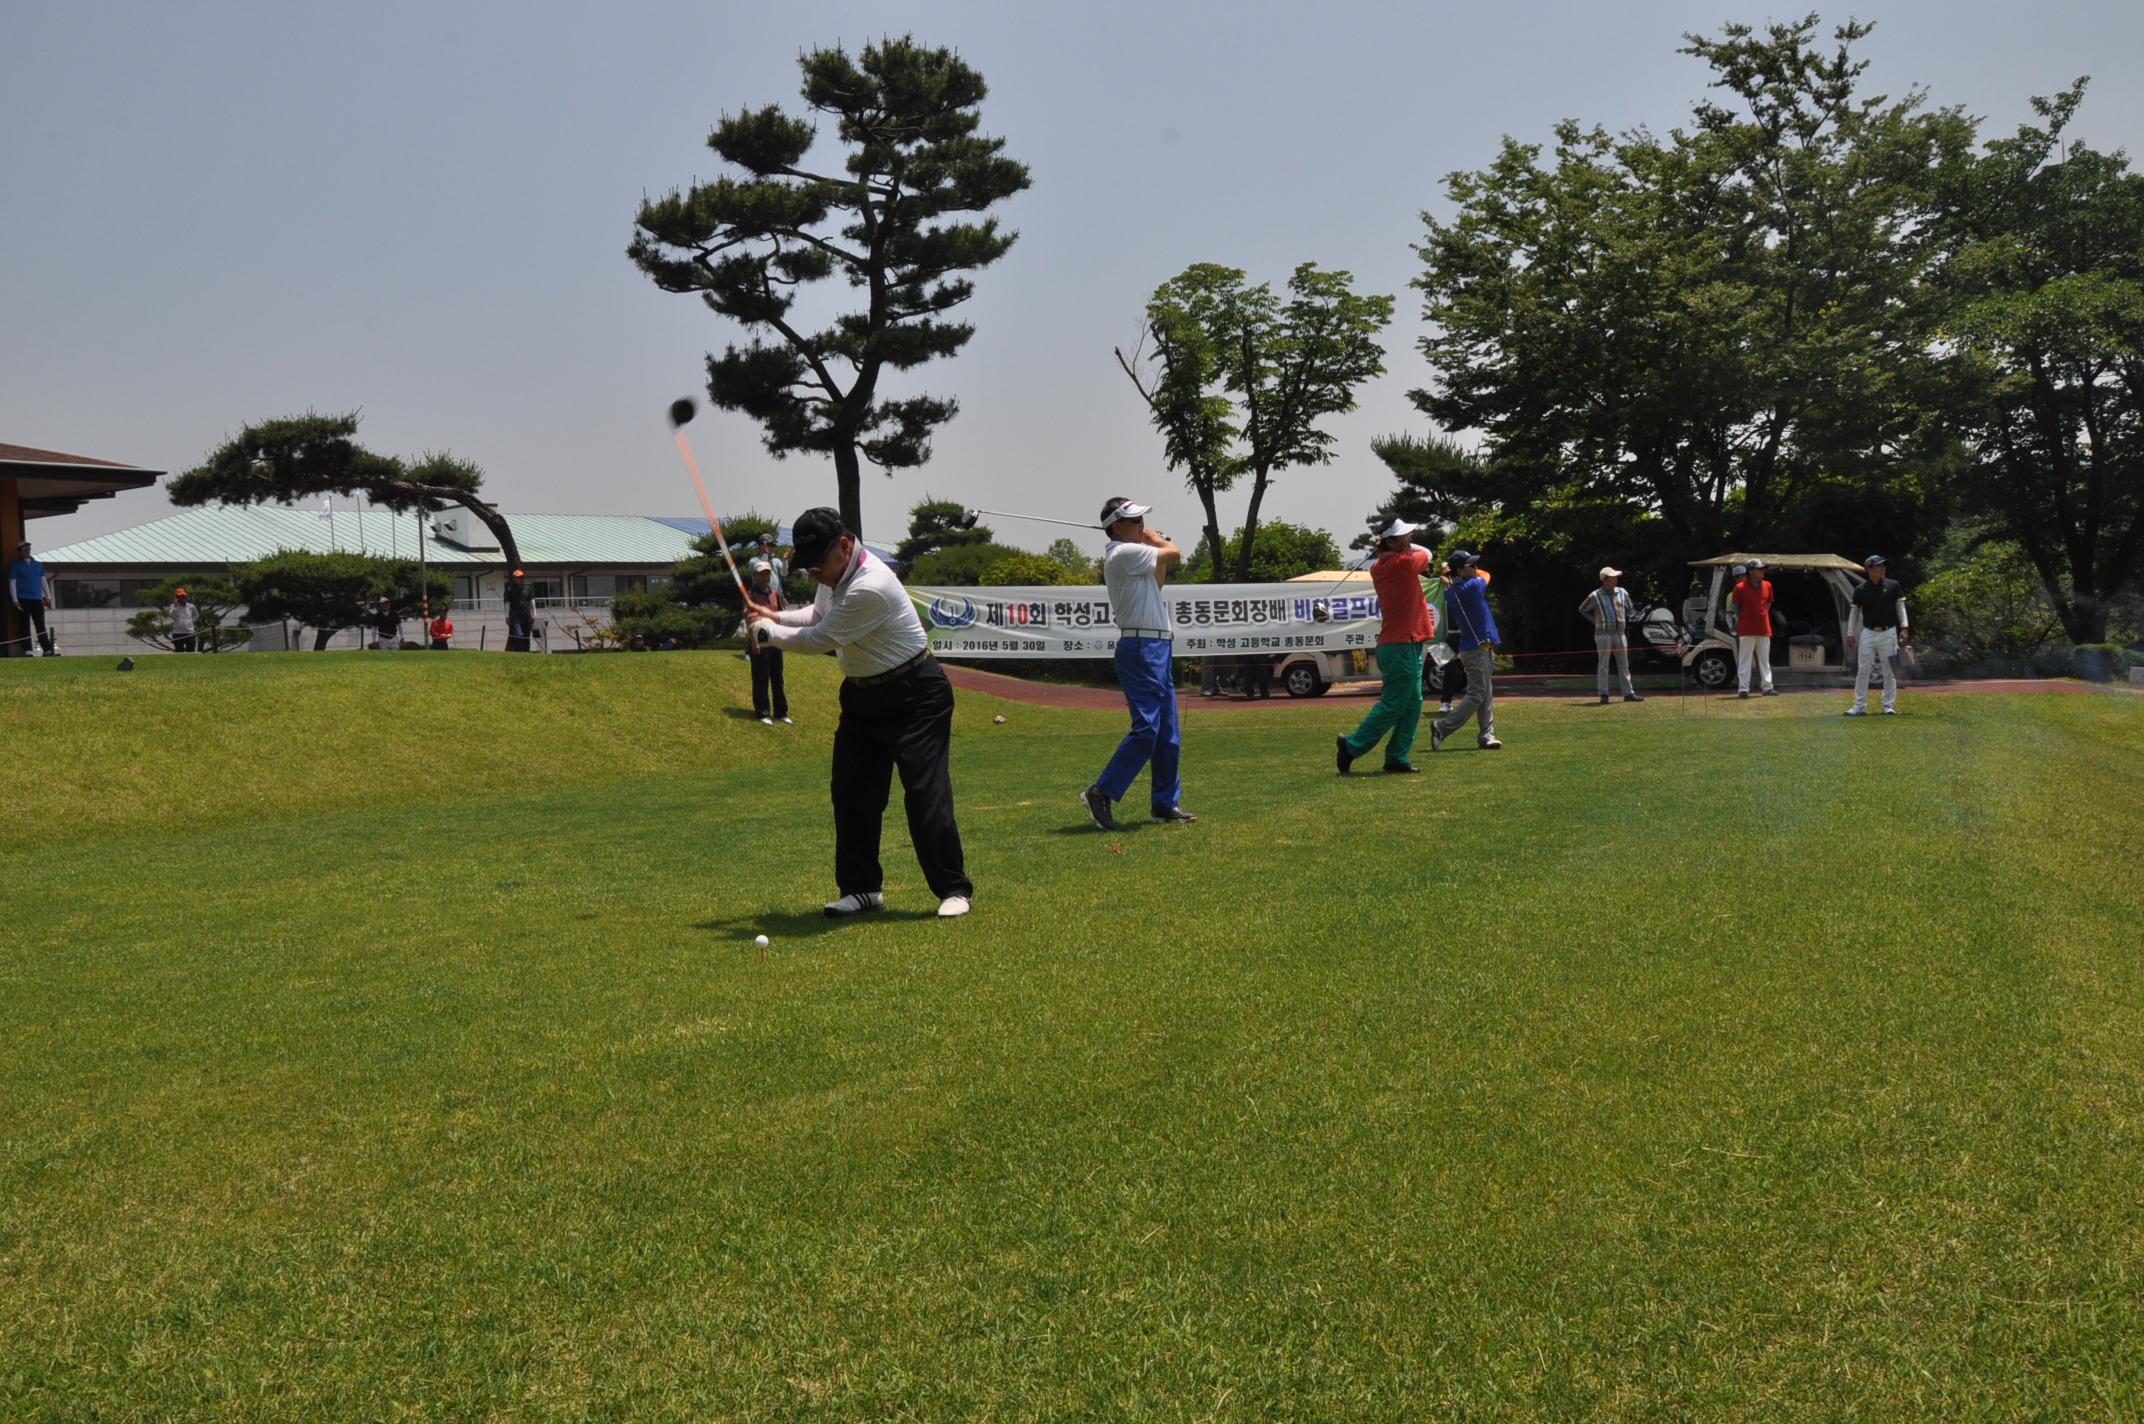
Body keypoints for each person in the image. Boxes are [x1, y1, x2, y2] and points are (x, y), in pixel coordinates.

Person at [746, 507, 973, 919]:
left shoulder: (871, 585)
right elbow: (818, 614)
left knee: (925, 793)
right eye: (808, 567)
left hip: (915, 695)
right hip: (862, 695)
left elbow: (822, 637)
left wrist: (769, 632)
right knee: (851, 794)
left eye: (819, 563)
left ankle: (954, 889)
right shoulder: (832, 576)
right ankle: (862, 889)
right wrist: (774, 615)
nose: (815, 573)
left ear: (845, 546)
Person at [1082, 497, 1197, 829]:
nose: (1142, 525)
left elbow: (1158, 580)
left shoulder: (1134, 556)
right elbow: (1174, 553)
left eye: (1142, 520)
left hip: (1156, 646)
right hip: (1141, 647)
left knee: (1168, 733)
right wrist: (1158, 540)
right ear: (1118, 527)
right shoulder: (1123, 553)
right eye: (1135, 521)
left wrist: (1153, 543)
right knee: (1147, 729)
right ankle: (1100, 792)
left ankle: (1164, 803)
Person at [1336, 518, 1432, 774]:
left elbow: (1413, 549)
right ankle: (1352, 745)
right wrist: (1394, 545)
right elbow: (1428, 553)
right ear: (1390, 541)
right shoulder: (1403, 563)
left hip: (1407, 642)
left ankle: (1397, 757)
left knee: (1412, 703)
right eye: (1405, 536)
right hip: (1399, 644)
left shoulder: (1382, 564)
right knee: (1394, 703)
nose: (1410, 539)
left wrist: (1389, 544)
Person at [1428, 550, 1502, 751]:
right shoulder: (1472, 586)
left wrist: (1451, 576)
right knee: (1477, 694)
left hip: (1479, 647)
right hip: (1476, 649)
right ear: (1460, 570)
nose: (1476, 568)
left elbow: (1472, 576)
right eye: (1472, 565)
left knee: (1485, 693)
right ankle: (1442, 727)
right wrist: (1452, 576)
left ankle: (1487, 735)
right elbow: (1486, 574)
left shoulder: (1453, 590)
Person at [1845, 554, 1910, 716]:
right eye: (1879, 566)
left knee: (1889, 670)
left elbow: (1900, 606)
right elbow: (1855, 612)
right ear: (1869, 569)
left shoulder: (1893, 585)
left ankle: (1888, 705)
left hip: (1888, 632)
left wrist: (1904, 626)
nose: (1883, 569)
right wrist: (1850, 632)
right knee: (1863, 669)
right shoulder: (1861, 589)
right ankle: (1859, 705)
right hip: (1868, 632)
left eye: (1883, 566)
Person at [1580, 566, 1644, 704]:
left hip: (1620, 633)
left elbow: (1629, 609)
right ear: (1605, 580)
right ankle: (1604, 694)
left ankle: (1628, 693)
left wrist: (1629, 619)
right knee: (1603, 665)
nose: (1615, 580)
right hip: (1603, 634)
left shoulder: (1622, 592)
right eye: (1612, 578)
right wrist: (1595, 621)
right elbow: (1583, 609)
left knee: (1624, 664)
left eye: (1616, 577)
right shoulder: (1595, 595)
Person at [747, 557, 791, 725]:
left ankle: (781, 712)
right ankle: (763, 712)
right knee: (761, 678)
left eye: (767, 573)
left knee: (778, 677)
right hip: (760, 640)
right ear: (755, 576)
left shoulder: (774, 593)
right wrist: (754, 642)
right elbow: (749, 620)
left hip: (775, 639)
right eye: (762, 574)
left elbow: (781, 615)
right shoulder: (751, 595)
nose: (765, 577)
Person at [1726, 559, 1776, 698]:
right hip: (1746, 629)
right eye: (1760, 569)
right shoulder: (1740, 588)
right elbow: (1736, 608)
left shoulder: (1767, 585)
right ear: (1751, 571)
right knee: (1745, 660)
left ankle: (1767, 687)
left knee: (1764, 660)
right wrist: (1747, 617)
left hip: (1763, 628)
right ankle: (1743, 689)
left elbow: (1768, 604)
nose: (1763, 571)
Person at [9, 540, 55, 656]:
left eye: (28, 548)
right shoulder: (15, 566)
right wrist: (15, 600)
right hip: (22, 598)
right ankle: (28, 649)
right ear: (19, 551)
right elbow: (12, 583)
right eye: (24, 549)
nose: (27, 551)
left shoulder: (38, 565)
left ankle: (46, 648)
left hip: (36, 598)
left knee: (40, 624)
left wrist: (48, 596)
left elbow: (43, 581)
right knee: (24, 624)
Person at [503, 569, 534, 652]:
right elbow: (507, 603)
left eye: (522, 577)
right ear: (514, 579)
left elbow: (532, 601)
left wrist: (534, 614)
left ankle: (526, 652)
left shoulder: (528, 588)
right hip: (515, 614)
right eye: (518, 577)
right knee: (518, 634)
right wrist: (507, 616)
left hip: (527, 613)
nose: (521, 579)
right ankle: (519, 651)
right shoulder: (510, 590)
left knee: (527, 635)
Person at [168, 587, 198, 653]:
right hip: (178, 632)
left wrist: (191, 622)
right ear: (177, 598)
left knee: (191, 651)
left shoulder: (191, 606)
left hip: (189, 632)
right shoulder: (173, 606)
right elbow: (172, 616)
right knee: (179, 651)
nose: (183, 598)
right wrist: (175, 606)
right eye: (180, 596)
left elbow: (196, 615)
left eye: (183, 596)